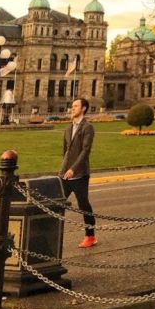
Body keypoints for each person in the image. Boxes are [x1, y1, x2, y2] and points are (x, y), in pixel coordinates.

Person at [60, 96, 97, 248]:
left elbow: (85, 151)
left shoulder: (87, 127)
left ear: (83, 109)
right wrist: (63, 169)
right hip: (65, 174)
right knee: (56, 203)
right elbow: (65, 151)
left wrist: (73, 169)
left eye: (75, 106)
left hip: (80, 174)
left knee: (84, 205)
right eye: (72, 106)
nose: (72, 108)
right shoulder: (68, 128)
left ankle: (90, 236)